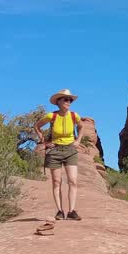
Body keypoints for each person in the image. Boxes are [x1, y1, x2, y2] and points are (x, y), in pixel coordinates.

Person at [35, 88, 82, 221]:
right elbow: (37, 126)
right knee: (57, 182)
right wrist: (44, 141)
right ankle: (60, 211)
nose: (68, 102)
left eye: (70, 100)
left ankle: (72, 211)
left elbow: (81, 127)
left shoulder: (74, 116)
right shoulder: (52, 116)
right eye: (66, 99)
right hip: (54, 150)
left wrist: (78, 140)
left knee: (73, 181)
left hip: (70, 150)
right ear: (58, 102)